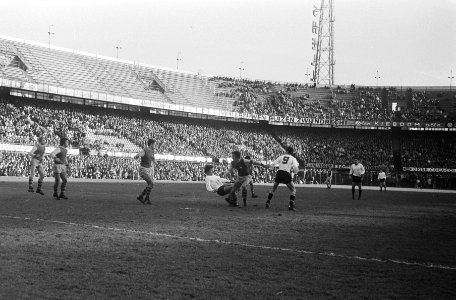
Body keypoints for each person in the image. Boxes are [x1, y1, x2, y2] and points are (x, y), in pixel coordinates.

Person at [265, 146, 300, 211]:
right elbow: (295, 167)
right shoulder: (293, 158)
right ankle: (290, 205)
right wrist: (296, 172)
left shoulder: (281, 157)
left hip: (279, 173)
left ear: (286, 151)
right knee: (293, 190)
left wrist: (269, 167)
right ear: (292, 152)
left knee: (273, 189)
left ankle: (268, 202)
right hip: (286, 174)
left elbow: (273, 164)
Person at [135, 138, 155, 205]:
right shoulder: (145, 150)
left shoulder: (152, 150)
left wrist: (155, 162)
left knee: (150, 184)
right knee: (151, 183)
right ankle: (145, 197)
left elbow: (152, 158)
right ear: (151, 144)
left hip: (148, 170)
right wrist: (137, 156)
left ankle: (142, 197)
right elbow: (139, 155)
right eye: (154, 144)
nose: (154, 146)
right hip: (143, 170)